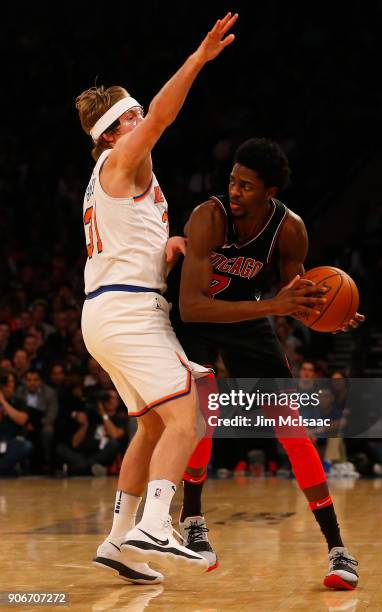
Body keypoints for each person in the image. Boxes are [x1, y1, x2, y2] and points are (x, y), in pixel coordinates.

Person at [75, 13, 313, 586]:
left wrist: (170, 244)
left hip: (114, 309)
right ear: (111, 133)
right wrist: (198, 59)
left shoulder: (119, 177)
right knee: (192, 412)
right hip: (128, 311)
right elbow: (161, 114)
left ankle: (119, 540)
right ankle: (158, 525)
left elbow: (128, 239)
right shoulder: (120, 159)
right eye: (130, 118)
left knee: (155, 428)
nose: (143, 122)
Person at [173, 138, 364, 590]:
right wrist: (273, 307)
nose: (234, 192)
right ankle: (192, 518)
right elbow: (191, 307)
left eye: (246, 186)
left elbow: (294, 296)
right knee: (205, 410)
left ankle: (338, 548)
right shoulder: (207, 217)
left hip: (246, 316)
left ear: (270, 192)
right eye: (232, 182)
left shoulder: (289, 229)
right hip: (198, 319)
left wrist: (325, 312)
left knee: (291, 426)